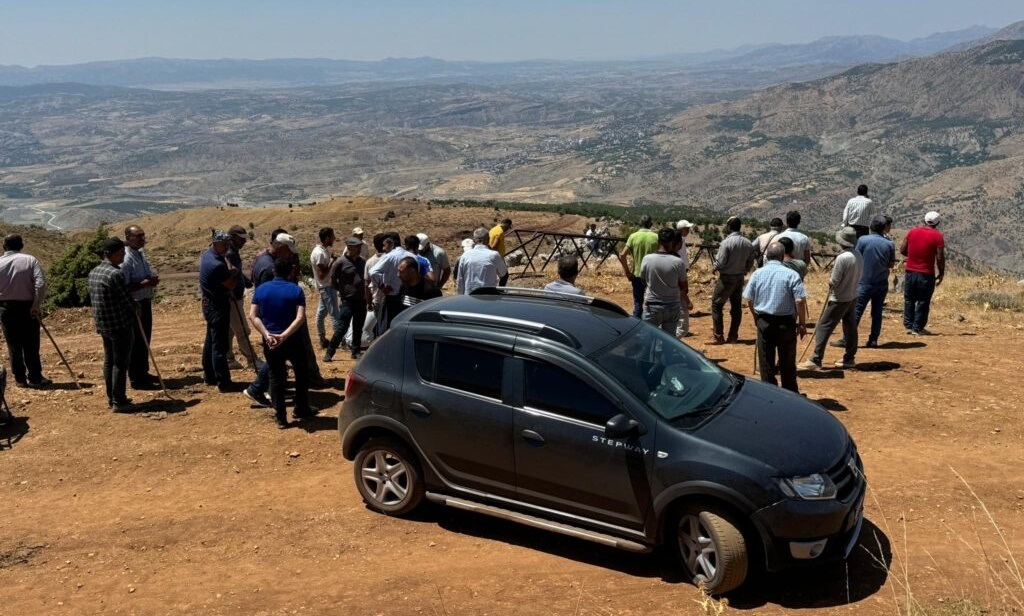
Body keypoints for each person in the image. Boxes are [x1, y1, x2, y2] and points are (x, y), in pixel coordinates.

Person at [249, 258, 317, 429]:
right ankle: (301, 408)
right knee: (301, 374)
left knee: (275, 377)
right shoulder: (295, 290)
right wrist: (284, 336)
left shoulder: (261, 290)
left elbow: (253, 316)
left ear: (274, 271)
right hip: (293, 340)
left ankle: (281, 418)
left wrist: (267, 334)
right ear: (291, 271)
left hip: (270, 341)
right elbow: (300, 317)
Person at [743, 242, 808, 393]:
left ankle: (769, 393)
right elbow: (799, 300)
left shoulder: (758, 273)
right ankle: (790, 393)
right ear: (782, 256)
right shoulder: (792, 274)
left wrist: (755, 316)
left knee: (766, 361)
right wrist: (802, 323)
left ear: (767, 256)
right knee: (787, 362)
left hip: (764, 321)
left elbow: (749, 298)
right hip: (786, 322)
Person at [799, 226, 864, 371]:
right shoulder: (858, 254)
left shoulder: (842, 257)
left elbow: (834, 281)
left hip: (839, 297)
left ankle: (816, 359)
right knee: (850, 327)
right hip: (852, 295)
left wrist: (830, 282)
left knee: (823, 327)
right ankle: (849, 358)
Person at [87, 238, 137, 411]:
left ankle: (112, 398)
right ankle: (119, 401)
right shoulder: (115, 274)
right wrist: (135, 309)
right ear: (114, 254)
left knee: (109, 361)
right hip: (119, 324)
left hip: (104, 324)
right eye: (122, 253)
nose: (124, 256)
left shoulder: (94, 271)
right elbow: (126, 300)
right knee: (120, 363)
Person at [833, 215, 896, 349]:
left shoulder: (862, 240)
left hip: (863, 282)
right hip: (881, 282)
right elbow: (891, 264)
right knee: (877, 312)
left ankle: (847, 339)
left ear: (871, 227)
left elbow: (856, 256)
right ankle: (873, 340)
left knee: (856, 312)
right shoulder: (890, 243)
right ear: (884, 228)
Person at [0, 233, 49, 388]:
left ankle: (20, 379)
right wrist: (36, 305)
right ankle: (35, 378)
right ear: (21, 246)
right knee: (31, 344)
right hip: (28, 308)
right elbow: (40, 284)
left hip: (5, 308)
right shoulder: (30, 260)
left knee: (13, 345)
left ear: (3, 247)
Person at [199, 230, 243, 392]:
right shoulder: (216, 264)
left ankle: (210, 376)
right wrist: (236, 273)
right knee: (220, 345)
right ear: (215, 243)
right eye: (224, 244)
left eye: (228, 244)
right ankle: (223, 381)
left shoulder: (209, 256)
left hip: (210, 303)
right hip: (217, 305)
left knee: (211, 341)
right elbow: (230, 285)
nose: (227, 247)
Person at [121, 225, 161, 390]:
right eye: (138, 236)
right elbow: (124, 286)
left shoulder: (140, 253)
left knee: (145, 339)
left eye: (143, 235)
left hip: (145, 301)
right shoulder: (126, 258)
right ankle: (137, 378)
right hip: (134, 304)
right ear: (128, 238)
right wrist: (146, 283)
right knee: (137, 341)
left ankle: (143, 372)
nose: (142, 239)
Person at [709, 217, 755, 344]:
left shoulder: (726, 242)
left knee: (717, 304)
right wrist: (746, 269)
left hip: (726, 278)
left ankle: (718, 335)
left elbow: (721, 260)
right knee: (736, 307)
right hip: (739, 277)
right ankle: (733, 336)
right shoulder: (747, 243)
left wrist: (714, 268)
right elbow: (751, 259)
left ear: (729, 227)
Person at [900, 211, 945, 335]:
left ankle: (908, 325)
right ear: (937, 223)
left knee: (909, 299)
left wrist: (914, 255)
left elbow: (903, 250)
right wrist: (941, 273)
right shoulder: (938, 236)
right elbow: (940, 258)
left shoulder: (912, 232)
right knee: (923, 301)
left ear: (924, 220)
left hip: (910, 271)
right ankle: (918, 327)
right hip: (926, 273)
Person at [324, 237, 368, 362]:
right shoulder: (340, 262)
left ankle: (356, 351)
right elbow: (333, 281)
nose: (360, 250)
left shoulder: (363, 262)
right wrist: (342, 291)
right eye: (357, 248)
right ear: (349, 248)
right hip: (347, 301)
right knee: (342, 327)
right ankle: (330, 351)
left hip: (361, 300)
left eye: (360, 247)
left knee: (358, 327)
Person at [640, 228, 688, 334]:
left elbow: (643, 281)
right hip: (672, 306)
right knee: (668, 339)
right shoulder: (679, 262)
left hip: (652, 305)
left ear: (658, 241)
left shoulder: (647, 259)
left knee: (648, 337)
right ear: (673, 242)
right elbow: (684, 287)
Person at [225, 225, 259, 370]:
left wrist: (245, 281)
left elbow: (236, 271)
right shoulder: (229, 253)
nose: (244, 242)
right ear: (232, 238)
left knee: (230, 330)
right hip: (232, 297)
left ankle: (229, 359)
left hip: (235, 296)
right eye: (241, 239)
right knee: (243, 330)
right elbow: (229, 273)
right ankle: (252, 360)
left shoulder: (233, 252)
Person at [618, 214, 659, 318]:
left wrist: (627, 272)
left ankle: (636, 326)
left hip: (637, 274)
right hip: (652, 276)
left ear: (640, 224)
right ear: (650, 224)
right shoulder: (656, 237)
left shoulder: (633, 236)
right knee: (652, 302)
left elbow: (622, 255)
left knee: (638, 302)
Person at [310, 227, 340, 349]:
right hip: (326, 287)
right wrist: (332, 261)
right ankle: (340, 341)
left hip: (325, 287)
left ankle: (322, 338)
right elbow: (322, 276)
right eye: (332, 236)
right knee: (335, 315)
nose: (334, 239)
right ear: (327, 238)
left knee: (321, 314)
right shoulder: (319, 253)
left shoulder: (323, 251)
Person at [456, 228, 508, 295]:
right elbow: (503, 274)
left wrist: (460, 298)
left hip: (469, 297)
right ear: (488, 240)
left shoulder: (465, 256)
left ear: (474, 240)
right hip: (489, 298)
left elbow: (460, 280)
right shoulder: (494, 255)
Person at [674, 221, 695, 337]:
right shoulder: (680, 241)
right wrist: (687, 300)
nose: (688, 231)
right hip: (680, 270)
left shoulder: (680, 240)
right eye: (686, 229)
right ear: (681, 229)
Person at [488, 218, 512, 286]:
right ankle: (501, 292)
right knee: (505, 275)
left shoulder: (494, 228)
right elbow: (494, 246)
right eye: (509, 227)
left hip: (490, 255)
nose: (508, 229)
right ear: (506, 224)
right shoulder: (500, 232)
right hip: (497, 257)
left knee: (493, 275)